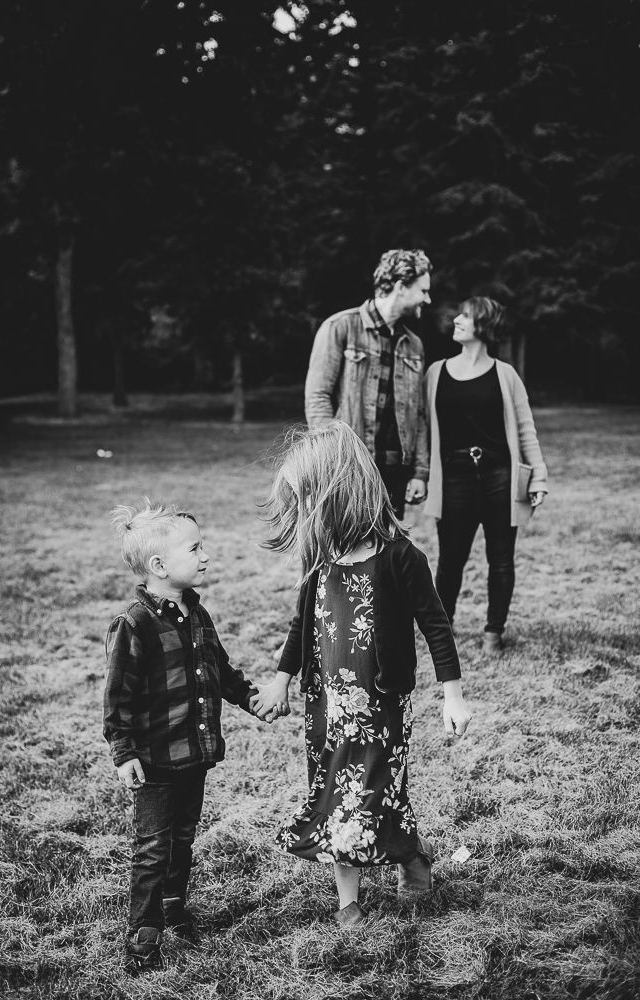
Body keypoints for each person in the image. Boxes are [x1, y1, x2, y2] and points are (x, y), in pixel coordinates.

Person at [251, 422, 471, 926]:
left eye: (309, 502)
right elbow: (301, 623)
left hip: (381, 708)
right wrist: (281, 680)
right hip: (326, 706)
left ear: (339, 494)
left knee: (374, 793)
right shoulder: (320, 557)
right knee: (337, 795)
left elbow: (436, 626)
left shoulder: (400, 558)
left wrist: (452, 696)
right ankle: (350, 901)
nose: (305, 515)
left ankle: (408, 856)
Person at [103, 500, 274, 974]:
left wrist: (252, 698)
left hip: (193, 755)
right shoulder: (134, 625)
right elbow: (118, 698)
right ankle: (144, 933)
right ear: (159, 565)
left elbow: (219, 669)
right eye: (195, 548)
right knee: (154, 846)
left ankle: (175, 909)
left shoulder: (198, 615)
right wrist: (124, 752)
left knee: (183, 838)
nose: (205, 555)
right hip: (155, 760)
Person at [423, 297, 548, 652]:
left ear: (483, 326)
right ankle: (441, 633)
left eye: (466, 315)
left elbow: (526, 431)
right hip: (453, 478)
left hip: (500, 478)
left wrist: (537, 476)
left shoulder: (506, 375)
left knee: (501, 559)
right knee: (450, 561)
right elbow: (422, 430)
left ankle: (494, 633)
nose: (457, 319)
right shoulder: (436, 373)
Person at [304, 248, 433, 520]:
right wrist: (333, 461)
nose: (428, 299)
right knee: (346, 555)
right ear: (400, 287)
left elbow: (418, 415)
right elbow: (318, 398)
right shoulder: (339, 327)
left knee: (386, 558)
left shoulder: (414, 345)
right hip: (348, 469)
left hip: (395, 476)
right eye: (423, 290)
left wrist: (420, 472)